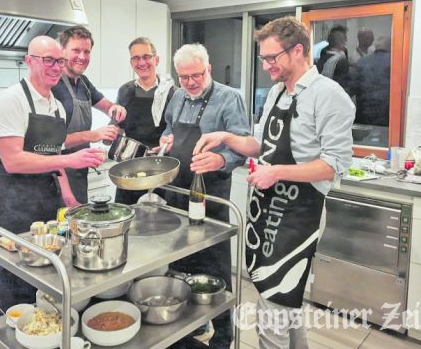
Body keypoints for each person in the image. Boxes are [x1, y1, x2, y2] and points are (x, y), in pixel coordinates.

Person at [194, 17, 355, 349]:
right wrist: (225, 137)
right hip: (267, 210)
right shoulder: (277, 93)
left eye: (272, 58)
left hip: (301, 214)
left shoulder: (329, 95)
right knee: (287, 302)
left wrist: (276, 172)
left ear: (298, 50)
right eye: (263, 58)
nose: (266, 66)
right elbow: (259, 144)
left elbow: (334, 165)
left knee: (273, 306)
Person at [0, 36, 106, 322]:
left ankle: (38, 334)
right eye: (47, 60)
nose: (55, 66)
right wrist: (68, 159)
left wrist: (70, 198)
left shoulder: (56, 106)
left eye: (59, 61)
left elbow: (54, 156)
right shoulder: (11, 100)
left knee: (42, 280)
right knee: (9, 283)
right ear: (29, 61)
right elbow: (13, 161)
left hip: (45, 203)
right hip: (12, 202)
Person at [159, 43, 250, 349]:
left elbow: (243, 144)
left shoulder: (229, 98)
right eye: (183, 77)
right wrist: (166, 140)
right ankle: (189, 332)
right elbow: (170, 127)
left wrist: (222, 159)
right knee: (180, 264)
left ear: (208, 68)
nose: (190, 83)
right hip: (177, 193)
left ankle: (223, 336)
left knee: (215, 266)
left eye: (196, 75)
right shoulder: (177, 95)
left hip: (212, 196)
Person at [52, 25, 127, 203]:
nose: (82, 57)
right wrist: (94, 135)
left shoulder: (84, 83)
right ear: (62, 50)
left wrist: (116, 109)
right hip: (56, 176)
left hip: (79, 171)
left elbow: (107, 106)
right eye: (76, 50)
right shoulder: (53, 85)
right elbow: (51, 143)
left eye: (87, 51)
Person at [114, 37, 175, 204]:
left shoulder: (171, 92)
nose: (141, 62)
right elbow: (119, 128)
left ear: (156, 59)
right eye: (136, 58)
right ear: (131, 62)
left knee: (161, 223)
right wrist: (110, 135)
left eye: (146, 56)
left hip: (161, 168)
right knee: (127, 217)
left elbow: (177, 131)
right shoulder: (125, 90)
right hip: (130, 168)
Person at [350, 35, 391, 126]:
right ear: (390, 46)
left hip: (364, 114)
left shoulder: (361, 62)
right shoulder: (394, 62)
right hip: (386, 114)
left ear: (376, 46)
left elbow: (352, 88)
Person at [316, 24, 350, 91]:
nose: (346, 40)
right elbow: (343, 83)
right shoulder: (339, 60)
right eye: (344, 38)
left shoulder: (343, 52)